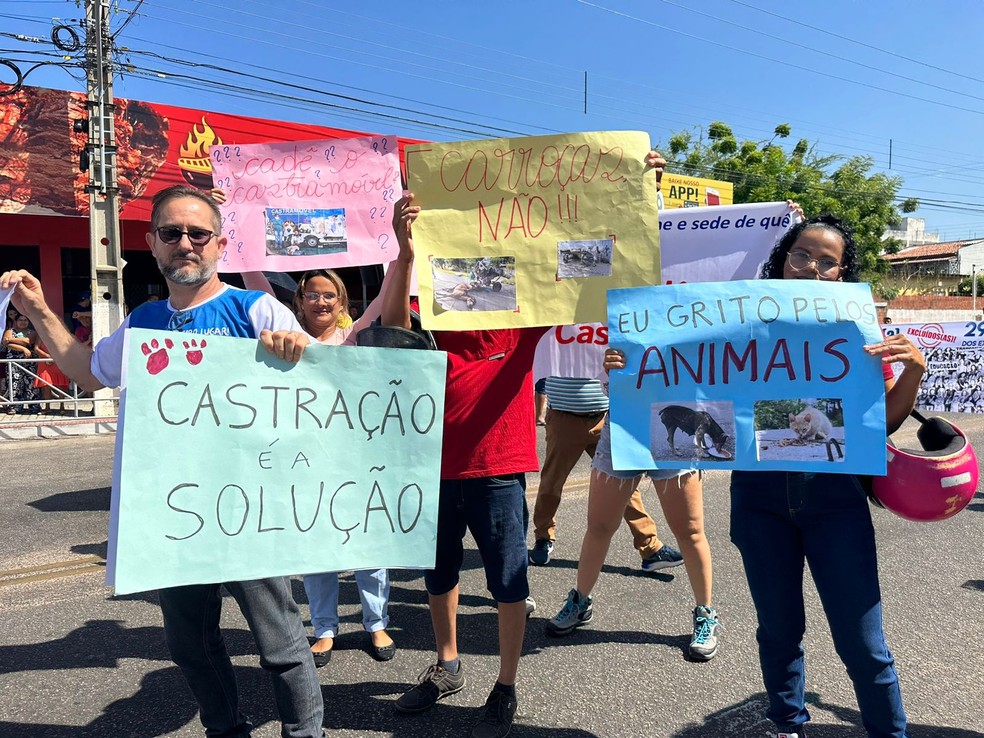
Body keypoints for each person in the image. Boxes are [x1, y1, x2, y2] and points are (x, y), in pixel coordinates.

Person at [1, 184, 327, 738]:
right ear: (151, 243)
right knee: (190, 647)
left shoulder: (256, 308)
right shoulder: (144, 318)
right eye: (171, 233)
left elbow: (322, 388)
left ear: (220, 243)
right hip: (175, 517)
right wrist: (36, 309)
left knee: (282, 646)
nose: (185, 243)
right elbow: (87, 369)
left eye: (197, 233)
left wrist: (297, 350)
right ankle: (226, 730)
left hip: (248, 512)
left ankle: (304, 734)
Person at [732, 214, 924, 738]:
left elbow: (882, 422)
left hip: (835, 501)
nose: (812, 268)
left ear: (841, 274)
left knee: (862, 642)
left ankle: (890, 733)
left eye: (827, 261)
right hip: (758, 498)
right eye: (801, 255)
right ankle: (787, 724)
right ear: (782, 259)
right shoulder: (740, 319)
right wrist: (631, 366)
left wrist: (913, 371)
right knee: (777, 631)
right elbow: (694, 379)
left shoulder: (855, 329)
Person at [529, 374, 683, 574]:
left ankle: (649, 546)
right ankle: (543, 538)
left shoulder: (605, 341)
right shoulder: (558, 342)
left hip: (606, 417)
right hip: (563, 417)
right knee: (552, 482)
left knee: (623, 482)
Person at [1, 313, 40, 414]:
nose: (23, 322)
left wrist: (11, 340)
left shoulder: (32, 332)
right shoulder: (10, 331)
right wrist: (22, 348)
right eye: (20, 320)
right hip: (13, 362)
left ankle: (34, 406)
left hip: (29, 362)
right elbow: (5, 343)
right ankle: (15, 407)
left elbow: (27, 341)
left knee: (31, 384)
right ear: (16, 321)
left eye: (25, 320)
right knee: (15, 383)